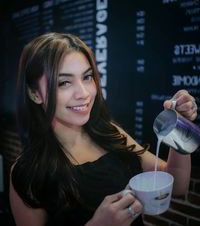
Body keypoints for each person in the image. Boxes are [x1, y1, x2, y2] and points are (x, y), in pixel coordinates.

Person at [9, 32, 197, 226]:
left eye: (87, 77)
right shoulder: (28, 172)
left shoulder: (110, 132)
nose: (83, 93)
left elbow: (177, 184)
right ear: (34, 93)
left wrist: (181, 126)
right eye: (64, 82)